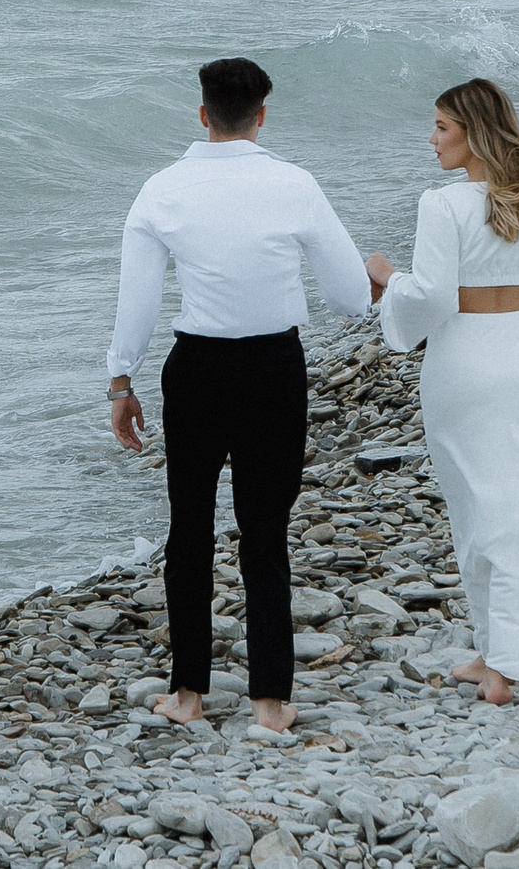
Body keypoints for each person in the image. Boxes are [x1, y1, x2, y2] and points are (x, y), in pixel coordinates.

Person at [109, 57, 372, 733]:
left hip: (195, 369)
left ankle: (188, 694)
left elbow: (137, 299)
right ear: (262, 116)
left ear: (203, 113)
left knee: (189, 528)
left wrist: (121, 380)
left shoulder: (161, 189)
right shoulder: (294, 183)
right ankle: (270, 700)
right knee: (264, 531)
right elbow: (348, 295)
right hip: (272, 368)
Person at [364, 78, 519, 706]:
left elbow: (434, 298)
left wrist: (387, 278)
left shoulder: (443, 205)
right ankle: (497, 648)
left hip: (466, 364)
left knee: (479, 507)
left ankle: (504, 665)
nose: (432, 139)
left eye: (442, 127)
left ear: (472, 134)